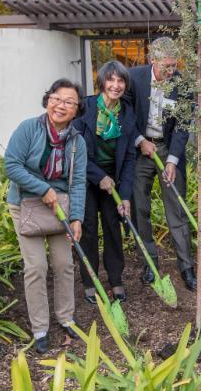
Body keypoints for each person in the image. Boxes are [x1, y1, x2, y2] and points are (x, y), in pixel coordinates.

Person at [4, 78, 87, 354]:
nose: (61, 105)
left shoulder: (77, 142)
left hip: (58, 209)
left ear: (77, 110)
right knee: (36, 268)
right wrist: (43, 189)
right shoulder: (29, 128)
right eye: (56, 98)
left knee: (64, 265)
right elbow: (12, 165)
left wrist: (76, 218)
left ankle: (66, 318)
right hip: (26, 206)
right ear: (48, 100)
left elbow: (77, 182)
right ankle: (40, 328)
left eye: (69, 102)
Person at [127, 37, 196, 291]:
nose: (170, 71)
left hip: (168, 147)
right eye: (165, 65)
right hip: (141, 147)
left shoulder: (183, 84)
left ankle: (186, 266)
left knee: (176, 207)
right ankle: (149, 262)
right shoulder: (134, 78)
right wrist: (139, 140)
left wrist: (172, 160)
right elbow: (126, 115)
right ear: (152, 60)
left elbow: (182, 126)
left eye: (173, 65)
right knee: (140, 208)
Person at [72, 61, 137, 303]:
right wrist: (99, 177)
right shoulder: (86, 108)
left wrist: (126, 194)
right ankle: (90, 281)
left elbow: (130, 156)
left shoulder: (127, 113)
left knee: (113, 227)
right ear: (102, 83)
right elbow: (76, 152)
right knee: (88, 229)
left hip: (114, 179)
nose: (116, 85)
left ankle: (116, 279)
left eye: (120, 81)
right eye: (111, 80)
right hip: (87, 177)